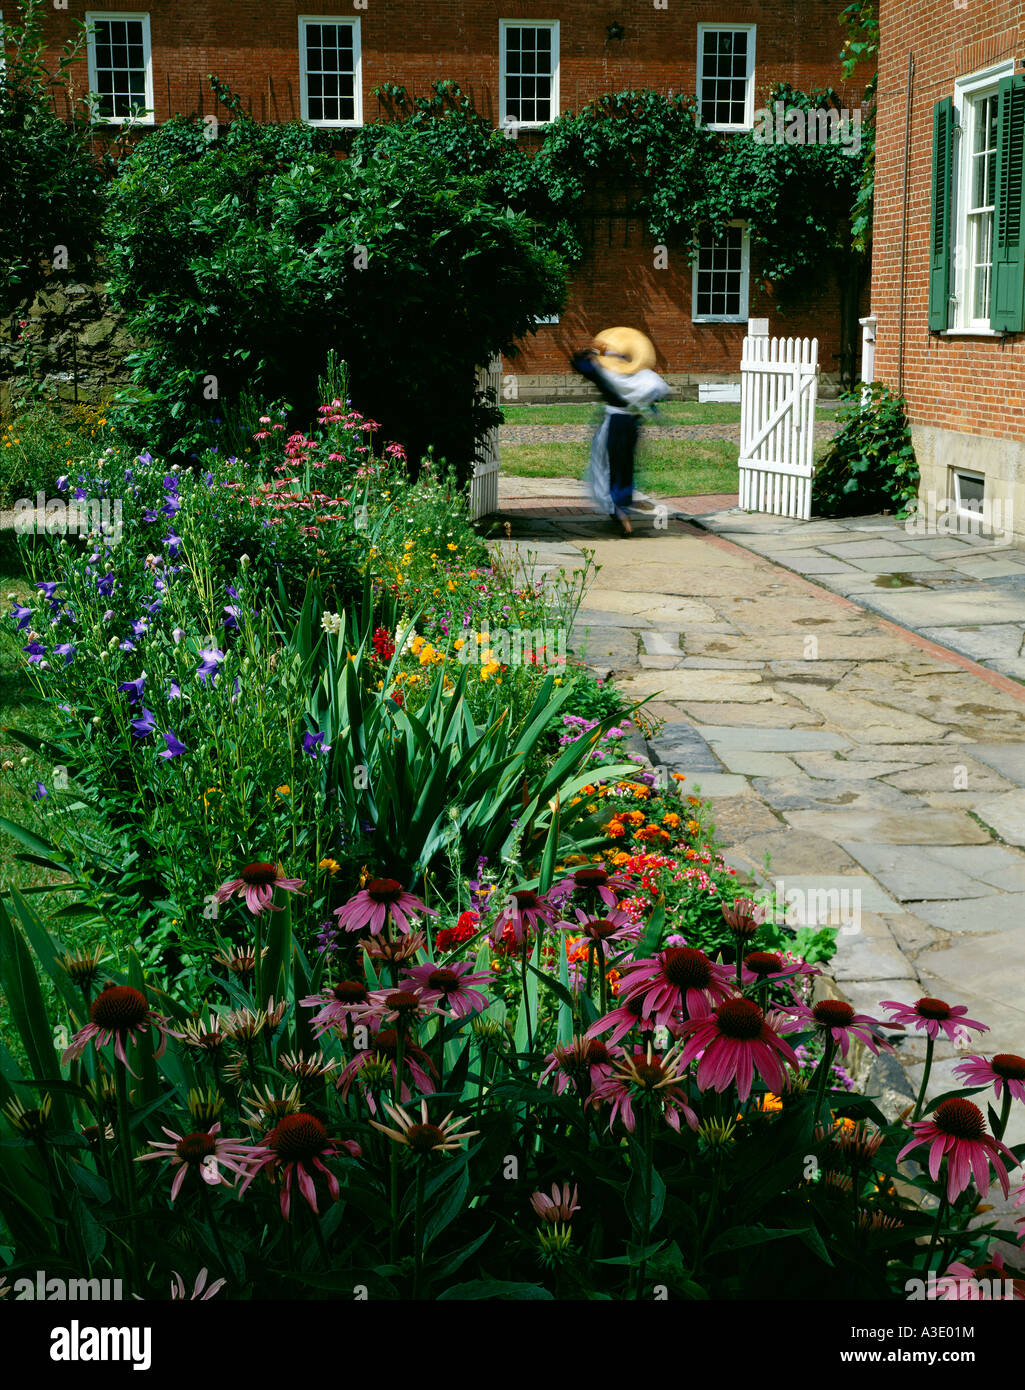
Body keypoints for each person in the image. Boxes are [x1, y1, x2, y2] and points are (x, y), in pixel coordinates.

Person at [571, 327, 669, 536]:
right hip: (632, 424)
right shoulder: (645, 378)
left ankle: (616, 510)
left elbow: (579, 363)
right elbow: (658, 395)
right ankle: (622, 505)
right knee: (625, 465)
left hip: (613, 423)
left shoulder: (607, 374)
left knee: (604, 466)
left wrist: (593, 352)